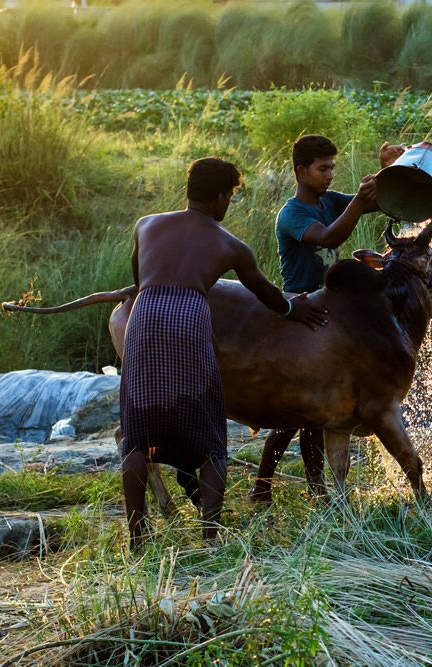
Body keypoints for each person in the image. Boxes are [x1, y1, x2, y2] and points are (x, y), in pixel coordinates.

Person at [121, 157, 328, 549]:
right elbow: (266, 294)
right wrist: (293, 307)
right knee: (210, 436)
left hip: (144, 316)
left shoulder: (145, 225)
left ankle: (136, 537)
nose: (228, 203)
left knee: (137, 434)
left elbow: (139, 278)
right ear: (220, 195)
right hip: (188, 317)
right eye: (230, 195)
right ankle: (210, 537)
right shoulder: (229, 244)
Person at [248, 134, 406, 504]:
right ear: (301, 171)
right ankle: (265, 485)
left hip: (329, 311)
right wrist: (358, 202)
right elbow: (331, 234)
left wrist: (388, 171)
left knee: (316, 414)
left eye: (333, 167)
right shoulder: (292, 214)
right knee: (296, 413)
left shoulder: (329, 201)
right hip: (300, 310)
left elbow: (379, 203)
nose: (330, 174)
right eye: (323, 168)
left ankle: (310, 488)